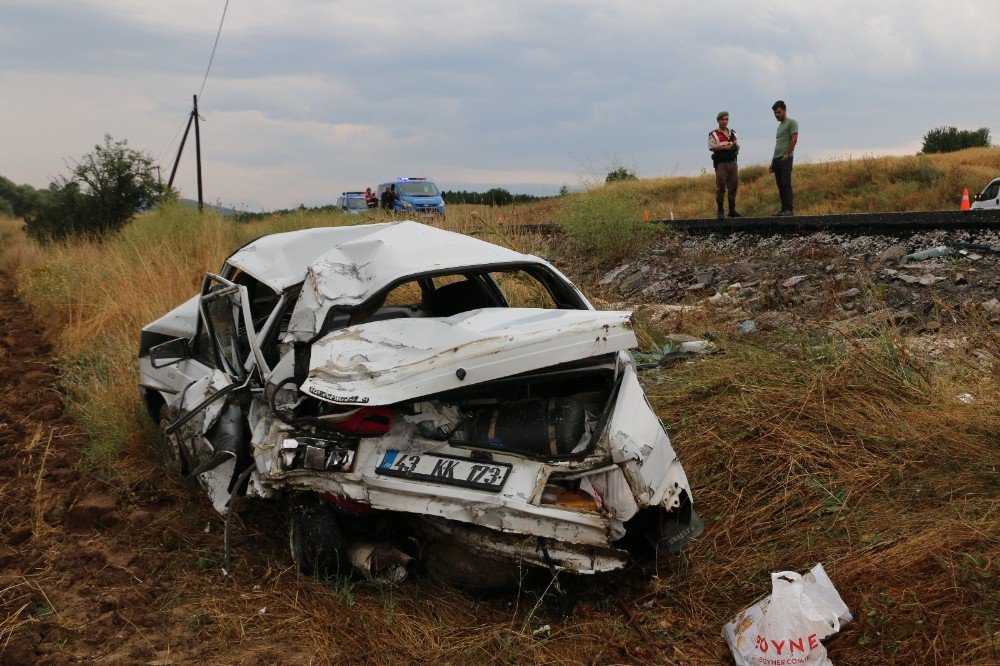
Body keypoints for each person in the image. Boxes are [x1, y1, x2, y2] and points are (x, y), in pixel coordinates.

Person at [708, 111, 741, 219]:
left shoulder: (733, 133)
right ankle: (720, 210)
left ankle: (732, 210)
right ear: (718, 120)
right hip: (721, 163)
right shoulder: (713, 134)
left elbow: (737, 145)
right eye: (722, 119)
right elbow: (711, 147)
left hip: (733, 162)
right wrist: (725, 147)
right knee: (721, 187)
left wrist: (735, 146)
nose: (724, 121)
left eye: (726, 119)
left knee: (733, 186)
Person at [768, 100, 798, 216]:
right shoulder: (779, 126)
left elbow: (794, 139)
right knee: (780, 184)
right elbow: (778, 144)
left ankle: (789, 210)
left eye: (779, 112)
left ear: (784, 111)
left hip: (786, 158)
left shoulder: (792, 123)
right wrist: (772, 162)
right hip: (777, 158)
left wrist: (787, 155)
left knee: (786, 183)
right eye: (775, 113)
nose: (777, 115)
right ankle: (783, 209)